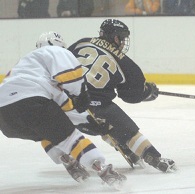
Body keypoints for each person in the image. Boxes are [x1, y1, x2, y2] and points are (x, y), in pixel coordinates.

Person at [0, 31, 126, 187]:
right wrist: (81, 93)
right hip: (31, 103)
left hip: (5, 117)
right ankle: (103, 170)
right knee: (70, 138)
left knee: (47, 130)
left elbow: (65, 109)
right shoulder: (54, 51)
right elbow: (70, 75)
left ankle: (66, 158)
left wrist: (88, 122)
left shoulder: (27, 67)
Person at [67, 19, 177, 173]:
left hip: (65, 101)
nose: (124, 43)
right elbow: (131, 95)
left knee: (75, 126)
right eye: (122, 38)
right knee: (112, 122)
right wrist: (147, 91)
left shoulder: (82, 42)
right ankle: (152, 156)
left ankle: (63, 152)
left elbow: (61, 62)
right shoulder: (124, 61)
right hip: (96, 106)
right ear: (115, 37)